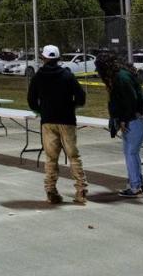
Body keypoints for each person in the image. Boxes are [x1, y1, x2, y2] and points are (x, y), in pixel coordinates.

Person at [27, 44, 88, 205]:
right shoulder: (67, 76)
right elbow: (81, 98)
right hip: (67, 120)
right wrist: (72, 105)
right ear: (58, 58)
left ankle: (51, 191)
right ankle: (81, 190)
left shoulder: (38, 77)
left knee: (51, 158)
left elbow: (31, 101)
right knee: (73, 156)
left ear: (43, 58)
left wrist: (41, 110)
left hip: (48, 121)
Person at [96, 53, 143, 198]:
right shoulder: (121, 75)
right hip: (135, 119)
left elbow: (130, 100)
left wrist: (123, 119)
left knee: (130, 153)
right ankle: (137, 182)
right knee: (132, 153)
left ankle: (135, 187)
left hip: (134, 119)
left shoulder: (121, 78)